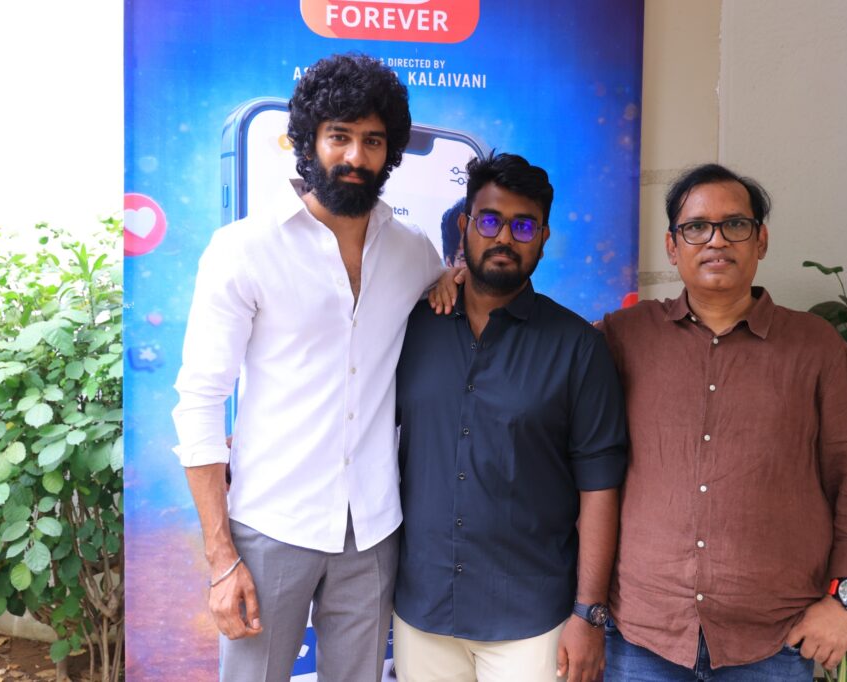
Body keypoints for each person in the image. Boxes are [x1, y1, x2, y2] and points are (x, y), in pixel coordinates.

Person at [171, 53, 450, 682]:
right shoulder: (244, 249)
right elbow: (199, 400)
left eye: (372, 140)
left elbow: (449, 291)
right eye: (339, 136)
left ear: (390, 152)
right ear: (308, 141)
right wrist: (220, 557)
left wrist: (451, 280)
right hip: (272, 523)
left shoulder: (413, 253)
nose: (355, 155)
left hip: (373, 529)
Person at [601, 163, 847, 681]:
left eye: (734, 224)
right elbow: (539, 349)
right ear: (672, 246)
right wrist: (465, 284)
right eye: (697, 227)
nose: (716, 240)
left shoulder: (815, 347)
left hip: (774, 639)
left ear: (761, 241)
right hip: (644, 634)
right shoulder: (624, 337)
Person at [392, 152, 628, 682]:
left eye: (523, 226)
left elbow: (599, 488)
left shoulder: (578, 348)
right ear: (465, 226)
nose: (504, 238)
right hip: (423, 611)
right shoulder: (412, 326)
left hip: (532, 621)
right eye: (490, 221)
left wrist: (588, 614)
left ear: (543, 237)